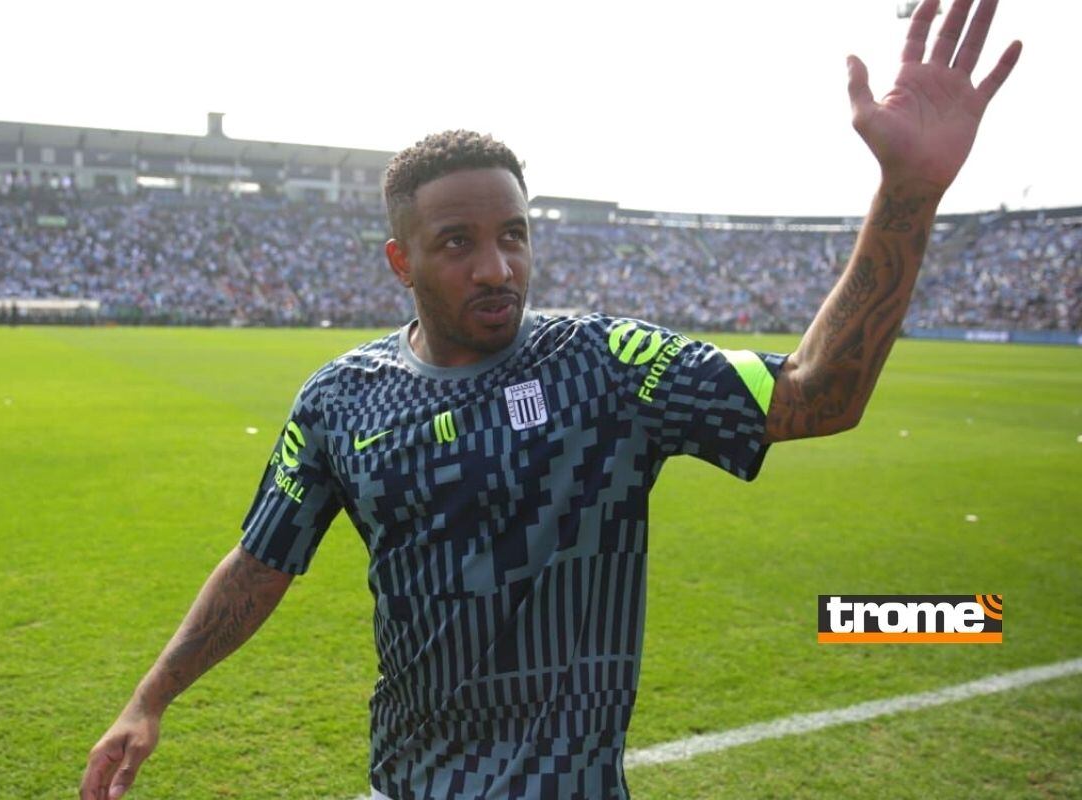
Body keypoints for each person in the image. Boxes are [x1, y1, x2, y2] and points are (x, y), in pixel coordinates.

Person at [80, 1, 1020, 797]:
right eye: (457, 242)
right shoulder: (340, 399)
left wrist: (906, 193)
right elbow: (260, 562)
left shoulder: (605, 362)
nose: (497, 267)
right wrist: (149, 699)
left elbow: (819, 396)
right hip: (406, 782)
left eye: (515, 235)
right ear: (401, 260)